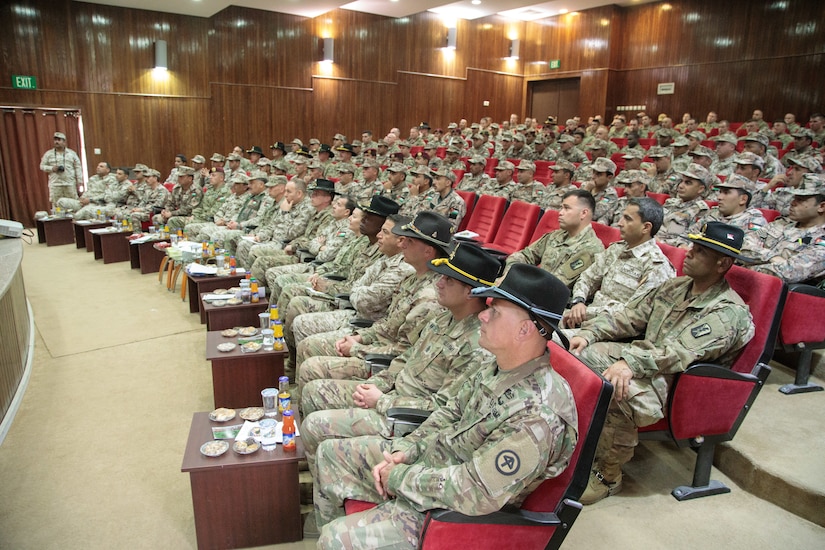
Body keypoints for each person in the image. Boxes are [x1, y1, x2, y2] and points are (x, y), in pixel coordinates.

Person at [313, 264, 577, 549]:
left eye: (495, 311)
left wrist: (400, 477)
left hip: (455, 512)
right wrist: (408, 449)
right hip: (434, 464)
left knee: (335, 541)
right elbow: (450, 412)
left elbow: (475, 490)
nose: (483, 316)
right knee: (330, 454)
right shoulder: (498, 366)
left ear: (525, 330)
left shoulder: (538, 414)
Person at [570, 221, 755, 504]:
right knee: (567, 347)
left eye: (700, 251)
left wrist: (628, 362)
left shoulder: (728, 313)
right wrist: (589, 333)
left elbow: (678, 352)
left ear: (722, 264)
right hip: (647, 361)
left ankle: (607, 476)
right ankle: (575, 443)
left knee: (618, 386)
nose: (689, 253)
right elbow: (629, 317)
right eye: (693, 246)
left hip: (680, 383)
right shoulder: (677, 286)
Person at [296, 211, 453, 394]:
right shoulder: (413, 278)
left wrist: (357, 349)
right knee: (309, 347)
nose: (402, 244)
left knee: (311, 368)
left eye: (410, 241)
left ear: (428, 251)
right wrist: (360, 337)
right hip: (376, 344)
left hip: (386, 365)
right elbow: (388, 324)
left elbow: (403, 351)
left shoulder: (430, 296)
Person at [564, 197, 675, 332]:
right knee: (536, 322)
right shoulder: (617, 249)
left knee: (546, 337)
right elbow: (588, 277)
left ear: (646, 227)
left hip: (610, 329)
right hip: (584, 316)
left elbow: (632, 314)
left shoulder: (657, 266)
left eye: (628, 219)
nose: (620, 223)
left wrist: (586, 312)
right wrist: (578, 301)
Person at [505, 188, 604, 289]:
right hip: (533, 289)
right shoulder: (556, 235)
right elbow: (525, 255)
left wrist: (517, 282)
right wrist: (510, 274)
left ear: (583, 213)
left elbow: (555, 284)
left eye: (566, 208)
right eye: (561, 208)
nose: (560, 213)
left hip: (552, 299)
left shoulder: (591, 248)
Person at [741, 174, 825, 285]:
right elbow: (743, 243)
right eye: (794, 198)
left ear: (821, 206)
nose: (792, 203)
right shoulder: (781, 223)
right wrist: (772, 257)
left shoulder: (821, 239)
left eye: (800, 200)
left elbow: (788, 272)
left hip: (777, 294)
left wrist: (743, 269)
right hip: (744, 282)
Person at [689, 174, 767, 235]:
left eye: (726, 192)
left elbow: (750, 251)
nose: (719, 197)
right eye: (720, 192)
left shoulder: (755, 221)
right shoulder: (713, 213)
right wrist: (682, 244)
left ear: (743, 199)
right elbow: (688, 234)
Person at [656, 163, 711, 246]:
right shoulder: (670, 202)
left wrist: (658, 242)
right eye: (681, 181)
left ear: (700, 189)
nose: (681, 186)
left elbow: (686, 243)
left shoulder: (701, 211)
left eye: (688, 183)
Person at [40, 131, 83, 206]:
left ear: (64, 142)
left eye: (59, 140)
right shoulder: (48, 154)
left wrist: (80, 181)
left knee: (73, 203)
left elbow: (78, 167)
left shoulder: (72, 153)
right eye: (55, 140)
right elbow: (42, 166)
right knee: (56, 204)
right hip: (55, 184)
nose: (56, 142)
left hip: (69, 183)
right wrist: (51, 168)